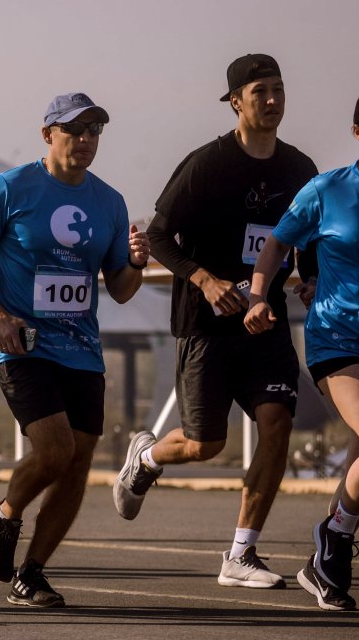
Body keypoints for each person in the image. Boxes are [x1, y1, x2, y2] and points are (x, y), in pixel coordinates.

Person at [112, 54, 318, 588]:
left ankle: (241, 554)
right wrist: (203, 279)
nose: (272, 101)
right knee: (207, 444)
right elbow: (158, 235)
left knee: (277, 424)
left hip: (264, 321)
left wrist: (309, 279)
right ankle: (148, 456)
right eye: (259, 93)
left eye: (278, 89)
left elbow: (307, 239)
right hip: (205, 324)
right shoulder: (207, 164)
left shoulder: (300, 170)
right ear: (236, 102)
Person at [0, 92, 148, 608]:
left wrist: (136, 262)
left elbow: (121, 288)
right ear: (47, 135)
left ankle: (32, 573)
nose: (85, 141)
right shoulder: (10, 189)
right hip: (22, 342)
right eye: (74, 130)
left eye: (94, 132)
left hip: (81, 347)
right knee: (55, 449)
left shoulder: (109, 201)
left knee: (78, 462)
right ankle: (6, 514)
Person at [245, 85, 359, 611]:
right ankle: (333, 540)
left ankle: (324, 560)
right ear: (358, 129)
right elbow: (277, 243)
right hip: (341, 337)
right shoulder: (327, 189)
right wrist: (258, 295)